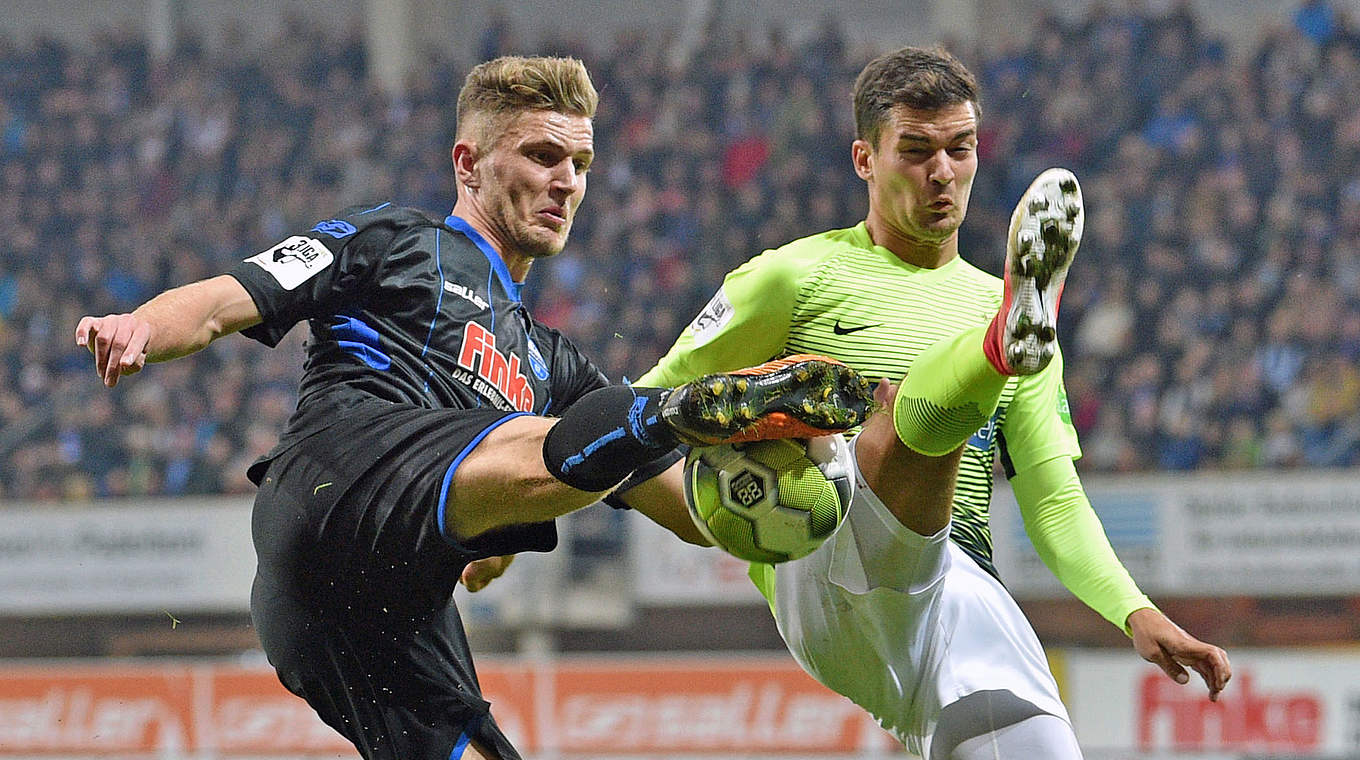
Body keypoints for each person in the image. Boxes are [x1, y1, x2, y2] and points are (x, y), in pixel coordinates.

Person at [74, 56, 873, 760]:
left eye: (582, 163)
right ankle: (687, 408)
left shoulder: (553, 361)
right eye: (543, 154)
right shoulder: (397, 241)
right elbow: (226, 300)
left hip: (381, 615)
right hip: (334, 488)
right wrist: (140, 325)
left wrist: (805, 494)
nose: (567, 181)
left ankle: (688, 417)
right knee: (555, 431)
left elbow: (691, 513)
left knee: (578, 438)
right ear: (469, 163)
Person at [634, 47, 1232, 758]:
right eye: (915, 150)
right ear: (865, 159)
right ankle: (989, 356)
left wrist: (1134, 610)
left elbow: (1054, 500)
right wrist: (696, 514)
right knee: (902, 424)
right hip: (822, 558)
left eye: (960, 148)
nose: (942, 171)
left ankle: (988, 358)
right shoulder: (791, 277)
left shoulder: (1000, 300)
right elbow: (638, 422)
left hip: (957, 590)